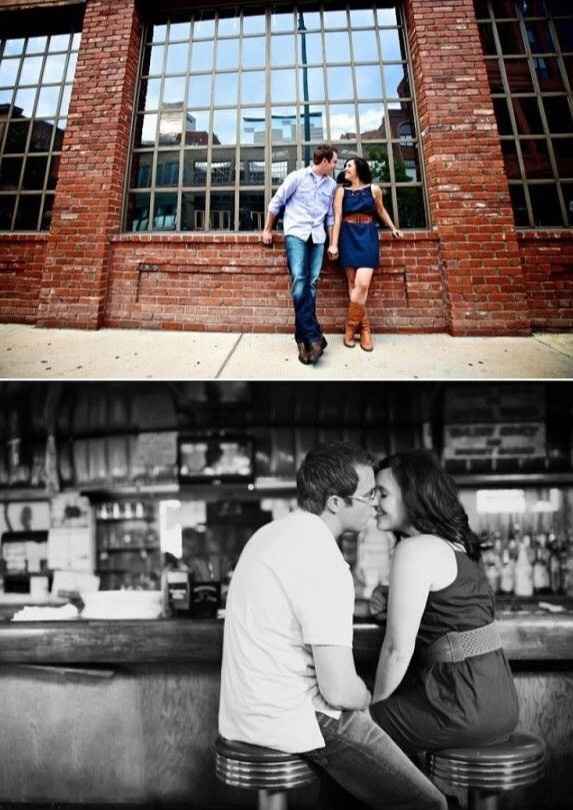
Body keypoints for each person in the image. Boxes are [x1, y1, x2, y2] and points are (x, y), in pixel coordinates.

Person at [219, 442, 447, 810]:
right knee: (430, 804)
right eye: (368, 494)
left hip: (244, 713)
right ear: (335, 503)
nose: (375, 503)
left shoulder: (269, 535)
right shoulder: (322, 557)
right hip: (294, 717)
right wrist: (370, 699)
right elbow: (339, 691)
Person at [371, 450, 519, 755]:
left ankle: (434, 802)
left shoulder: (415, 549)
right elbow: (449, 613)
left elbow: (397, 650)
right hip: (501, 704)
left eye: (382, 494)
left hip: (462, 706)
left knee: (354, 731)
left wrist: (375, 712)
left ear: (412, 496)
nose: (374, 503)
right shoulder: (457, 546)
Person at [262, 145, 338, 366]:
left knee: (312, 283)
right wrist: (268, 229)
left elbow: (330, 217)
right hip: (296, 234)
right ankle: (313, 336)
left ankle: (303, 337)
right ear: (323, 161)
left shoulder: (331, 185)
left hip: (318, 238)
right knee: (300, 280)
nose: (335, 165)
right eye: (333, 161)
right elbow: (276, 203)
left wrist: (333, 242)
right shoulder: (297, 177)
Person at [328, 157, 402, 352]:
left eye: (349, 166)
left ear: (359, 168)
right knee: (352, 285)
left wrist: (392, 227)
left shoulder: (374, 189)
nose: (345, 169)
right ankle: (365, 330)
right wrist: (334, 244)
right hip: (347, 237)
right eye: (345, 166)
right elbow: (337, 218)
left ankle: (351, 327)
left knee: (362, 284)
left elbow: (381, 210)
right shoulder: (341, 191)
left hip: (368, 236)